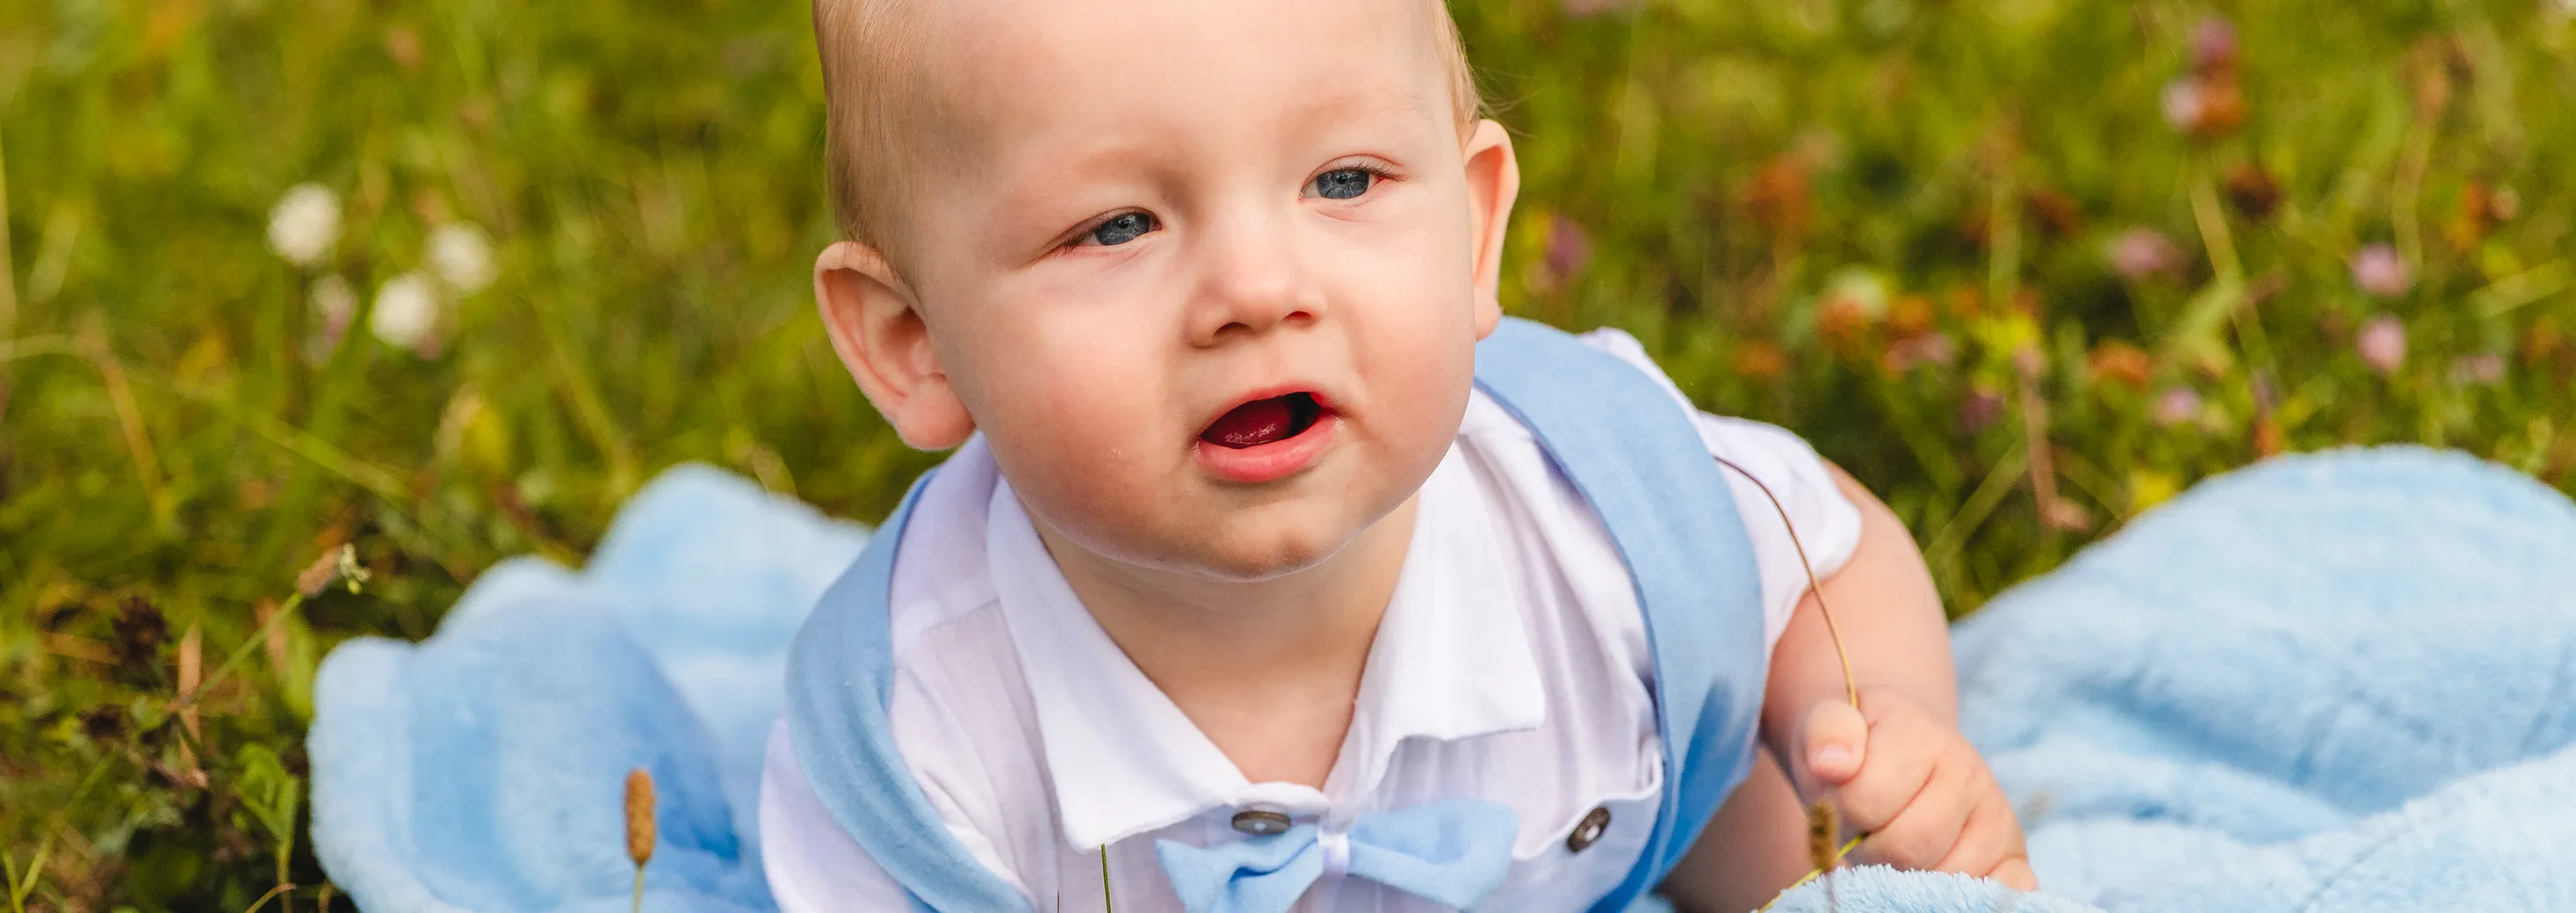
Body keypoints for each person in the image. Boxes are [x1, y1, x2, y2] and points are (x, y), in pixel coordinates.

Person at [758, 1, 2032, 909]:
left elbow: (1824, 544)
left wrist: (1873, 714)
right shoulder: (909, 745)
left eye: (1345, 181)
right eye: (1118, 225)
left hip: (1603, 835)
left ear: (1475, 233)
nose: (1258, 289)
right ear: (914, 342)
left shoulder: (1599, 514)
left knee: (1801, 847)